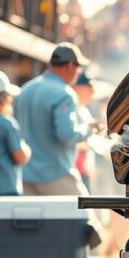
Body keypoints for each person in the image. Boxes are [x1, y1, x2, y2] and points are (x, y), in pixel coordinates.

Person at [15, 42, 94, 195]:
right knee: (85, 216)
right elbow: (67, 135)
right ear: (70, 65)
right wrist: (88, 129)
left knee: (34, 220)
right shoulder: (64, 93)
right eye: (78, 67)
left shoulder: (25, 90)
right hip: (55, 174)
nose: (78, 72)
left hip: (25, 176)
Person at [73, 71, 98, 191]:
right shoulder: (71, 108)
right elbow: (68, 138)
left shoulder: (83, 109)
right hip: (75, 170)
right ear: (79, 88)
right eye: (90, 87)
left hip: (84, 169)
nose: (93, 91)